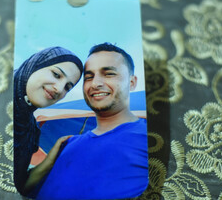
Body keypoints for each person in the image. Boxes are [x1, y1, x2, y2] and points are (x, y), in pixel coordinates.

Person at [36, 43, 149, 199]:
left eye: (108, 73)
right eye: (89, 77)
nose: (95, 84)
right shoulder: (66, 144)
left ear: (132, 82)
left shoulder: (150, 139)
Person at [13, 46, 83, 196]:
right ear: (35, 65)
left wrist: (52, 158)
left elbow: (19, 186)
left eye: (67, 87)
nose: (59, 89)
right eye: (56, 75)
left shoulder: (29, 127)